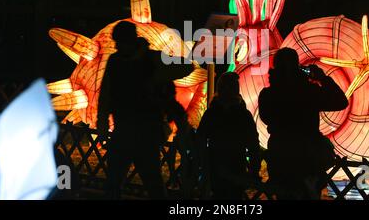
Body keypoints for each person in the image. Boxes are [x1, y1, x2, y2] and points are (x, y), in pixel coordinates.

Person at [97, 21, 192, 199]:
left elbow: (187, 66)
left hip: (146, 131)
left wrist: (158, 76)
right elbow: (106, 95)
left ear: (131, 41)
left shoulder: (153, 59)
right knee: (114, 182)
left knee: (152, 182)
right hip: (124, 128)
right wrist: (102, 125)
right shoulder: (115, 61)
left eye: (121, 42)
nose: (118, 46)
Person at [258, 48, 348, 199]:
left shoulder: (267, 94)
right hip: (308, 157)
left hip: (281, 154)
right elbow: (340, 101)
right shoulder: (309, 91)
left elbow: (266, 117)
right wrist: (322, 78)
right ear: (297, 67)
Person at [197, 72, 261, 200]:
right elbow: (253, 143)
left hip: (220, 164)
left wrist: (202, 164)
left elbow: (201, 137)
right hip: (231, 164)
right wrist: (254, 169)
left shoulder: (213, 113)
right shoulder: (242, 114)